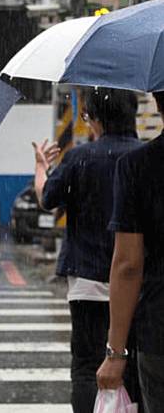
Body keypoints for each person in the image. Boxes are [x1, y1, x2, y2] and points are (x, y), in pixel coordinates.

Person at [33, 88, 141, 413]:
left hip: (88, 285)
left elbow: (47, 199)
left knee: (85, 368)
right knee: (133, 365)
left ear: (93, 117)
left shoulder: (81, 158)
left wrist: (41, 168)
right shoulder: (144, 158)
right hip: (137, 282)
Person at [97, 90, 164, 412]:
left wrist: (116, 353)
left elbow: (128, 264)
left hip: (160, 329)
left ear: (157, 101)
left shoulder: (138, 165)